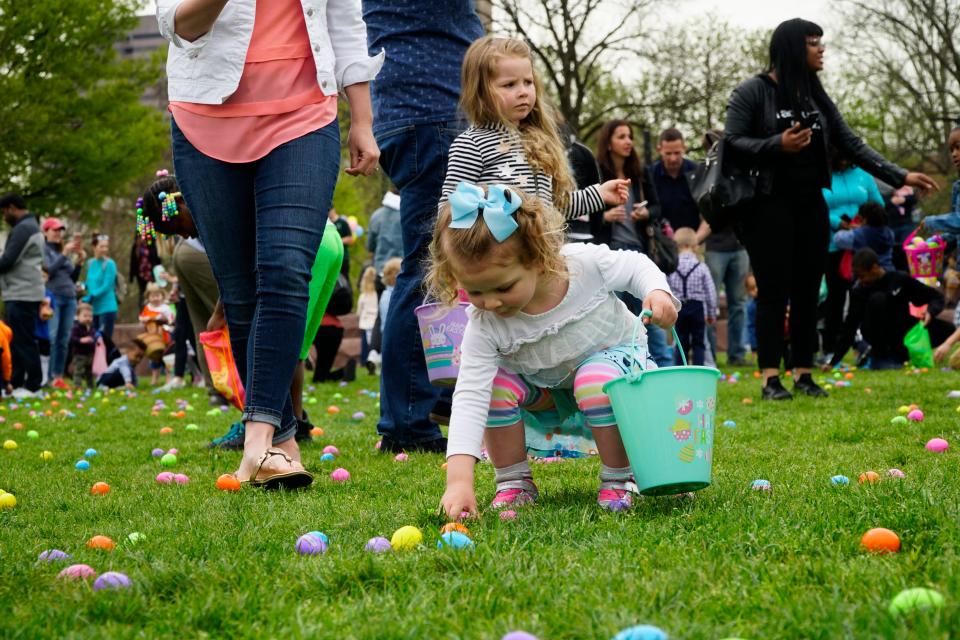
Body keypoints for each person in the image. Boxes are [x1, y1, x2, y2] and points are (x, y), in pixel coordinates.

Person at [159, 0, 382, 488]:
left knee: (284, 270)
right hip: (206, 120)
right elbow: (178, 24)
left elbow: (345, 21)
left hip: (304, 117)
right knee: (239, 293)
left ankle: (257, 443)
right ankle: (282, 440)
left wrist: (361, 118)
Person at [431, 182, 678, 518]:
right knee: (492, 387)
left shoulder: (582, 265)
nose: (489, 302)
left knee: (593, 379)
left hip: (617, 371)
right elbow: (470, 395)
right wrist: (459, 481)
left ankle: (621, 477)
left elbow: (635, 265)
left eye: (503, 286)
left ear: (535, 258)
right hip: (547, 388)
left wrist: (658, 292)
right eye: (474, 291)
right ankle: (513, 481)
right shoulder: (485, 321)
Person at [724, 18, 938, 400]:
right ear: (792, 48)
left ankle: (804, 374)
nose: (821, 50)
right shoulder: (754, 91)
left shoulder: (815, 97)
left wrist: (900, 174)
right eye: (812, 43)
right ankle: (771, 378)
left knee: (808, 290)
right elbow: (733, 141)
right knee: (774, 291)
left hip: (811, 206)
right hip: (766, 208)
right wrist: (777, 144)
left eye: (821, 42)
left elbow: (852, 144)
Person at [362, 0, 483, 454]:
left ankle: (428, 404)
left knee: (443, 267)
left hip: (415, 115)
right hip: (431, 114)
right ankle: (406, 420)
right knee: (428, 269)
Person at [591, 119, 673, 366]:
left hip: (639, 252)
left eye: (630, 136)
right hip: (608, 255)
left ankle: (664, 369)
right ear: (608, 143)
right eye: (621, 136)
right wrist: (604, 216)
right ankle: (619, 369)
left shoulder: (640, 173)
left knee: (650, 314)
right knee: (614, 318)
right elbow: (585, 217)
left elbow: (658, 207)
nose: (628, 141)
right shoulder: (597, 174)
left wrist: (645, 214)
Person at [829, 249, 952, 369]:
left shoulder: (899, 279)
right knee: (878, 299)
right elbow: (850, 327)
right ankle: (879, 355)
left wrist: (930, 311)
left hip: (902, 331)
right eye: (857, 277)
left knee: (947, 330)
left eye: (862, 276)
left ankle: (903, 354)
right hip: (876, 335)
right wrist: (834, 361)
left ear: (874, 268)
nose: (861, 281)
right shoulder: (859, 291)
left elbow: (936, 297)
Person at [693, 130, 751, 367]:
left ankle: (737, 353)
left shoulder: (738, 170)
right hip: (716, 248)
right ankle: (710, 356)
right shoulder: (705, 174)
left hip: (739, 247)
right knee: (711, 303)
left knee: (738, 302)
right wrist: (694, 241)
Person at [821, 148, 885, 353]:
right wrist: (838, 223)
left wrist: (866, 223)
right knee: (835, 299)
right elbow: (816, 208)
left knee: (864, 296)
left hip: (863, 245)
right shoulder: (823, 175)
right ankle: (830, 348)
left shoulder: (863, 174)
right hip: (834, 244)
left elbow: (879, 204)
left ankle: (868, 344)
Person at [0, 193, 46, 396]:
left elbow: (8, 260)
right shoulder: (30, 226)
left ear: (11, 208)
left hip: (22, 292)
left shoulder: (23, 228)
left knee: (24, 339)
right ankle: (16, 383)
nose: (4, 216)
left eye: (4, 212)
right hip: (22, 291)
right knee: (17, 339)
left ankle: (33, 385)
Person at [41, 217, 82, 390]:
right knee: (52, 337)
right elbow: (48, 270)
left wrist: (79, 263)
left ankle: (58, 376)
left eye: (60, 230)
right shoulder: (43, 250)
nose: (58, 233)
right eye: (55, 230)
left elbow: (72, 277)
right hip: (54, 297)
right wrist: (65, 254)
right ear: (46, 231)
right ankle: (47, 377)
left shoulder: (60, 251)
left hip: (69, 298)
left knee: (63, 340)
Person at [667, 228, 718, 366]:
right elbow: (711, 292)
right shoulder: (701, 267)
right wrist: (711, 313)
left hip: (679, 308)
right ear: (692, 245)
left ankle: (680, 370)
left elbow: (667, 289)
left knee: (681, 342)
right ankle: (698, 369)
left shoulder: (672, 267)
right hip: (697, 308)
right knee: (698, 343)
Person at [918, 123, 960, 246]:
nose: (954, 154)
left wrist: (932, 222)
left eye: (958, 147)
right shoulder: (957, 186)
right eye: (951, 150)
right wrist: (941, 241)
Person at [833, 202, 896, 270]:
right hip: (888, 269)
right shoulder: (889, 232)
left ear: (865, 219)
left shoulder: (859, 234)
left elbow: (838, 239)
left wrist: (849, 229)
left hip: (867, 273)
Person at [83, 235, 118, 343]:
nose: (104, 250)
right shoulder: (90, 263)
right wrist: (82, 287)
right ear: (94, 247)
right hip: (94, 308)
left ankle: (107, 360)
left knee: (104, 340)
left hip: (107, 307)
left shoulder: (110, 264)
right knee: (94, 339)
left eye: (106, 247)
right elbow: (90, 282)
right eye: (101, 246)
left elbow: (107, 285)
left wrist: (93, 295)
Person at [140, 282, 176, 385]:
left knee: (167, 357)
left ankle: (169, 378)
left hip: (165, 336)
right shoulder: (147, 308)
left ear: (162, 296)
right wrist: (145, 319)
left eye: (157, 295)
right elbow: (142, 318)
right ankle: (155, 378)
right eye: (152, 296)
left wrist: (162, 319)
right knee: (154, 357)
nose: (155, 298)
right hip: (153, 337)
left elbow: (171, 320)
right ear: (148, 297)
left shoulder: (165, 308)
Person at [130, 231, 161, 308]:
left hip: (151, 273)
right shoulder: (136, 247)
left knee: (153, 291)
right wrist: (131, 276)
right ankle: (143, 310)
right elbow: (133, 261)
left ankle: (155, 308)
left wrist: (159, 270)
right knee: (143, 293)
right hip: (140, 274)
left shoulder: (151, 245)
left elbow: (157, 259)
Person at [70, 303, 97, 388]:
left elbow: (94, 336)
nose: (88, 318)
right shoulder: (76, 327)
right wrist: (80, 340)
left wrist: (94, 339)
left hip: (89, 353)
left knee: (89, 371)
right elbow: (72, 339)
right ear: (78, 316)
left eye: (90, 316)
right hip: (79, 354)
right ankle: (77, 385)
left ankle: (91, 386)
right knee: (79, 371)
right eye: (85, 316)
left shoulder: (91, 327)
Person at [356, 265, 378, 370]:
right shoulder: (378, 294)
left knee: (365, 345)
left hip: (365, 323)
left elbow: (359, 311)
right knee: (373, 344)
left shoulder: (363, 295)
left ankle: (364, 362)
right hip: (375, 322)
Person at [328, 208, 355, 278]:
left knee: (345, 279)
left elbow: (350, 239)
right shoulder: (328, 224)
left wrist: (337, 241)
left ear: (333, 210)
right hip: (331, 257)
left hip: (343, 257)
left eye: (329, 210)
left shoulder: (343, 222)